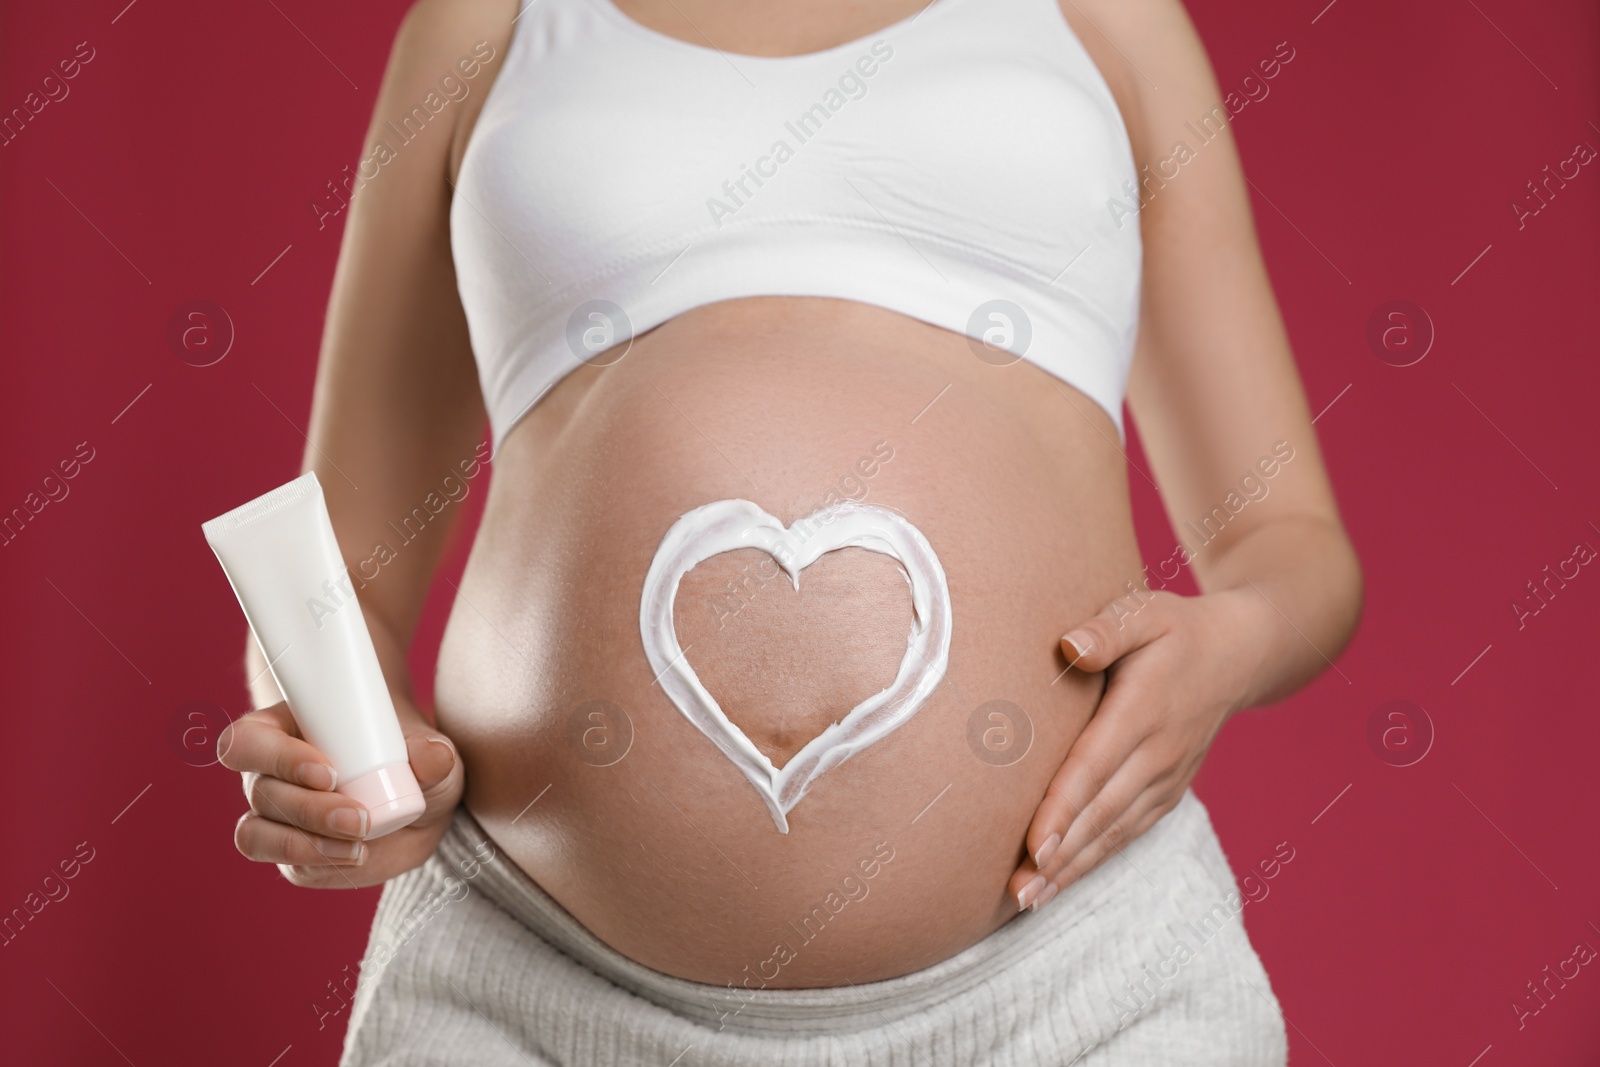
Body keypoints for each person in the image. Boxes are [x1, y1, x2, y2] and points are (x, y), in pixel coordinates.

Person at [216, 0, 1361, 1062]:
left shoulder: (1099, 21)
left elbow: (1290, 542)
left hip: (1084, 979)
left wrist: (1228, 647)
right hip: (525, 982)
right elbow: (333, 577)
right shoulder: (489, 28)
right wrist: (343, 755)